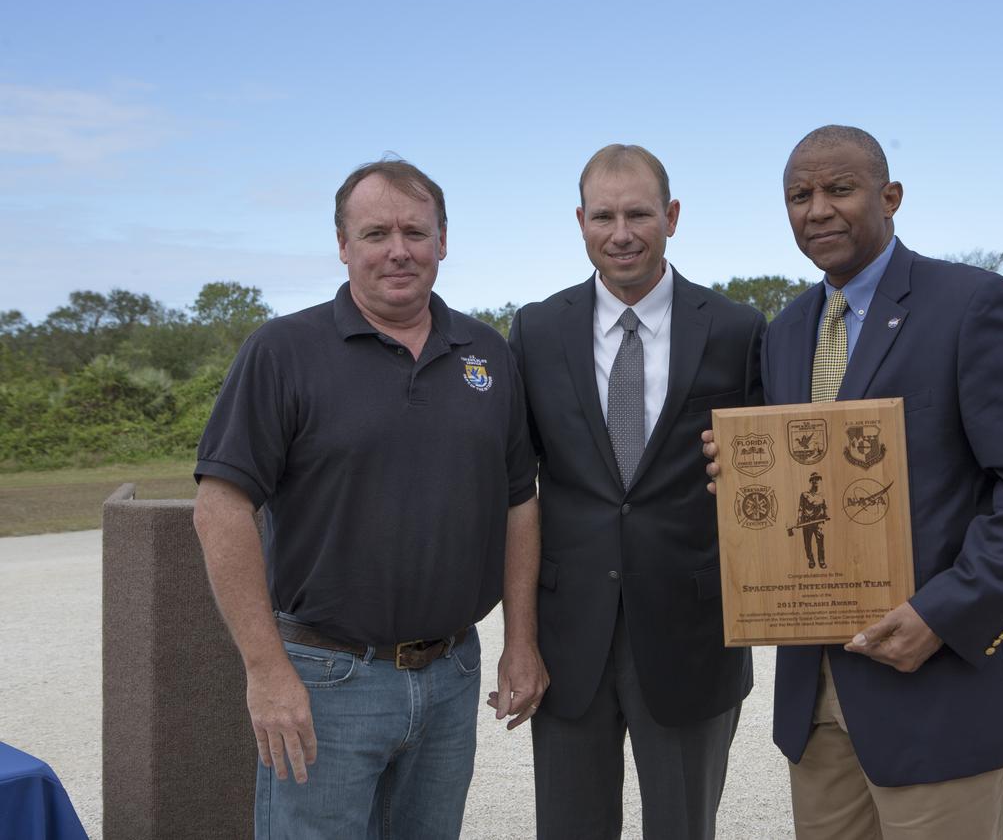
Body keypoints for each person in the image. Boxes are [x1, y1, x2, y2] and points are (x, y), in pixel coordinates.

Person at [704, 125, 1003, 839]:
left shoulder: (973, 305)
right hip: (816, 700)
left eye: (838, 189)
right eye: (798, 195)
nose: (816, 209)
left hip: (937, 690)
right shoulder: (786, 330)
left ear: (890, 197)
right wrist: (740, 471)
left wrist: (944, 614)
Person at [192, 157, 546, 839]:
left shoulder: (487, 355)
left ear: (443, 240)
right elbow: (220, 508)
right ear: (343, 244)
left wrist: (520, 640)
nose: (398, 250)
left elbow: (518, 502)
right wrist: (266, 670)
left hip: (450, 675)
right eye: (376, 232)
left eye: (415, 231)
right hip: (326, 680)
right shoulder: (282, 351)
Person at [505, 144, 765, 839]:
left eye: (639, 213)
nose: (621, 232)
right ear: (581, 222)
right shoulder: (534, 330)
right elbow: (514, 489)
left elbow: (766, 477)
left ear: (672, 216)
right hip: (569, 641)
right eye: (604, 215)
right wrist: (519, 638)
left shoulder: (738, 330)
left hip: (694, 637)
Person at [794, 471, 828, 569]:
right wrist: (799, 519)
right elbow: (800, 508)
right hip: (807, 523)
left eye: (817, 479)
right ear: (811, 481)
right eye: (814, 479)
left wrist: (826, 515)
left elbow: (825, 507)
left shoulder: (822, 495)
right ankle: (811, 560)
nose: (816, 481)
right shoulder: (804, 495)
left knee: (820, 541)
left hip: (817, 523)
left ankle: (821, 561)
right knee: (807, 543)